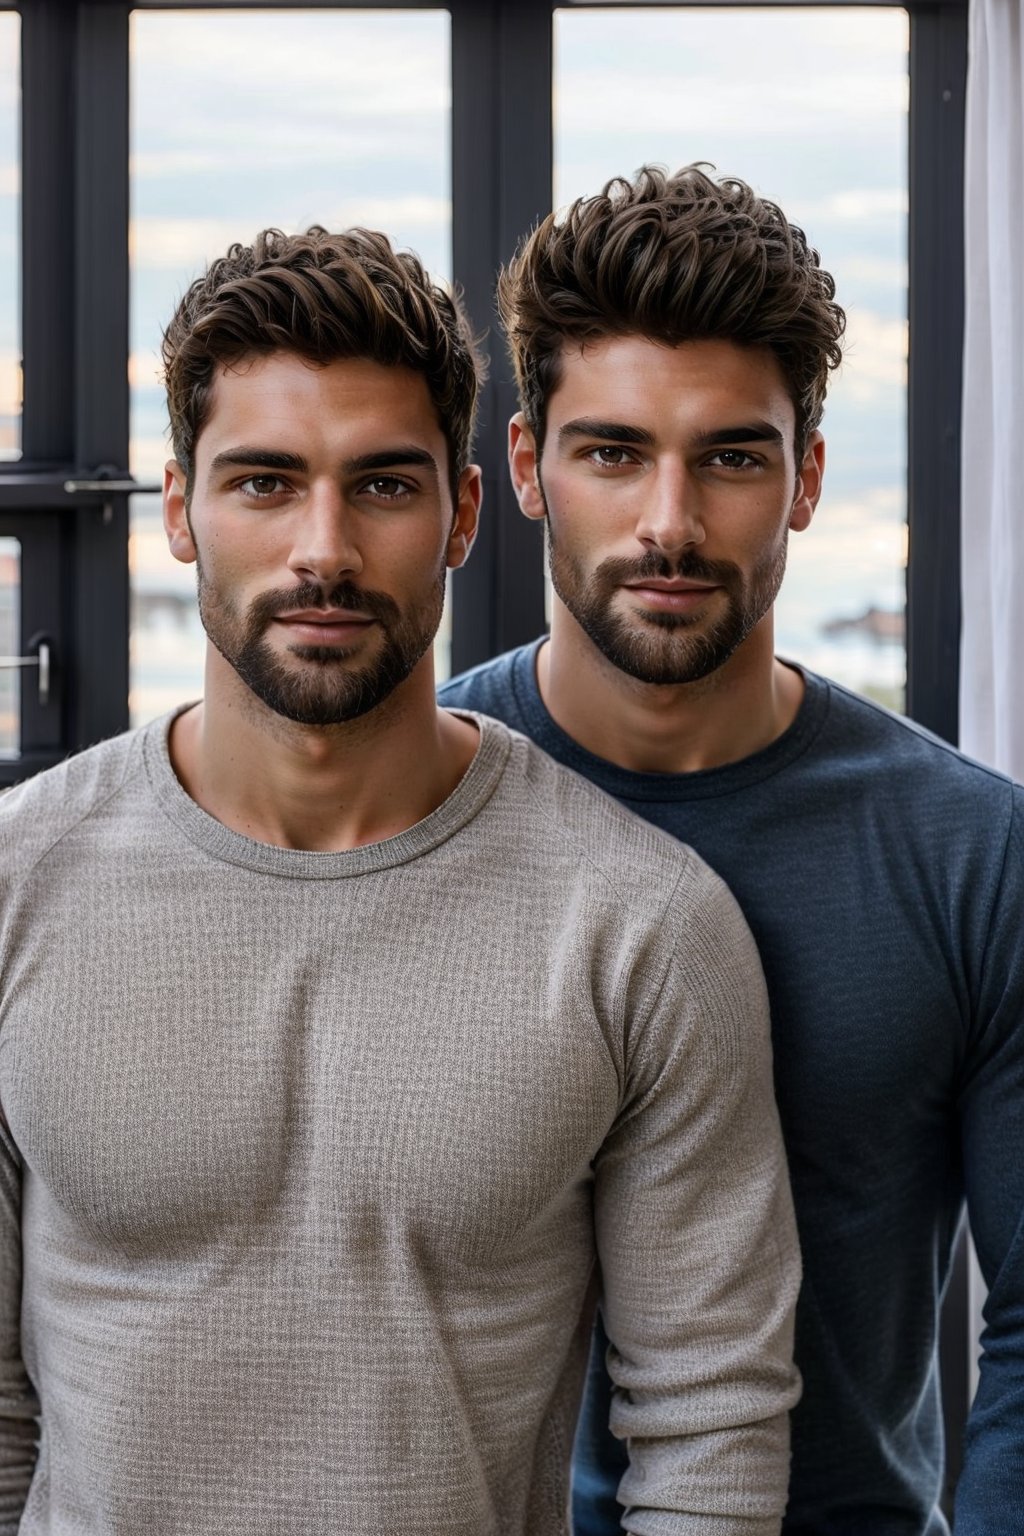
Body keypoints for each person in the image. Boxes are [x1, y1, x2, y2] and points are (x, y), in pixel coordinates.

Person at [0, 224, 801, 1536]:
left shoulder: (639, 923)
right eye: (264, 483)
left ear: (466, 512)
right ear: (180, 514)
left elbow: (709, 1427)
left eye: (381, 485)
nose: (324, 548)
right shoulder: (20, 886)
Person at [439, 165, 1024, 1536]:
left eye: (733, 457)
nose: (669, 522)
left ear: (807, 477)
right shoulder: (409, 801)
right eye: (613, 451)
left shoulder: (971, 852)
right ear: (528, 469)